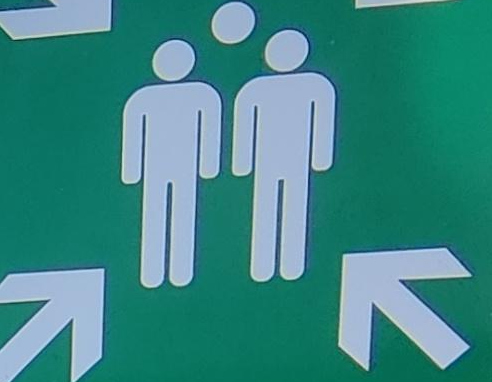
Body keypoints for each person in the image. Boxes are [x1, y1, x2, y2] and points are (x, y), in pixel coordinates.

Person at [229, 27, 337, 284]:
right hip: (265, 160)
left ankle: (290, 265)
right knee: (264, 207)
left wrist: (320, 159)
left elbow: (322, 122)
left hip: (297, 159)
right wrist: (242, 163)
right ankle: (262, 265)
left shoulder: (315, 85)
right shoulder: (254, 88)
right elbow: (244, 125)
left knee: (295, 207)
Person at [118, 38, 221, 289]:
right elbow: (133, 134)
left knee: (184, 212)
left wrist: (209, 166)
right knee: (154, 214)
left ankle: (181, 271)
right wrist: (132, 171)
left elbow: (210, 130)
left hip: (186, 166)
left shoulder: (202, 94)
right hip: (154, 168)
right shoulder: (143, 98)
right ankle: (152, 272)